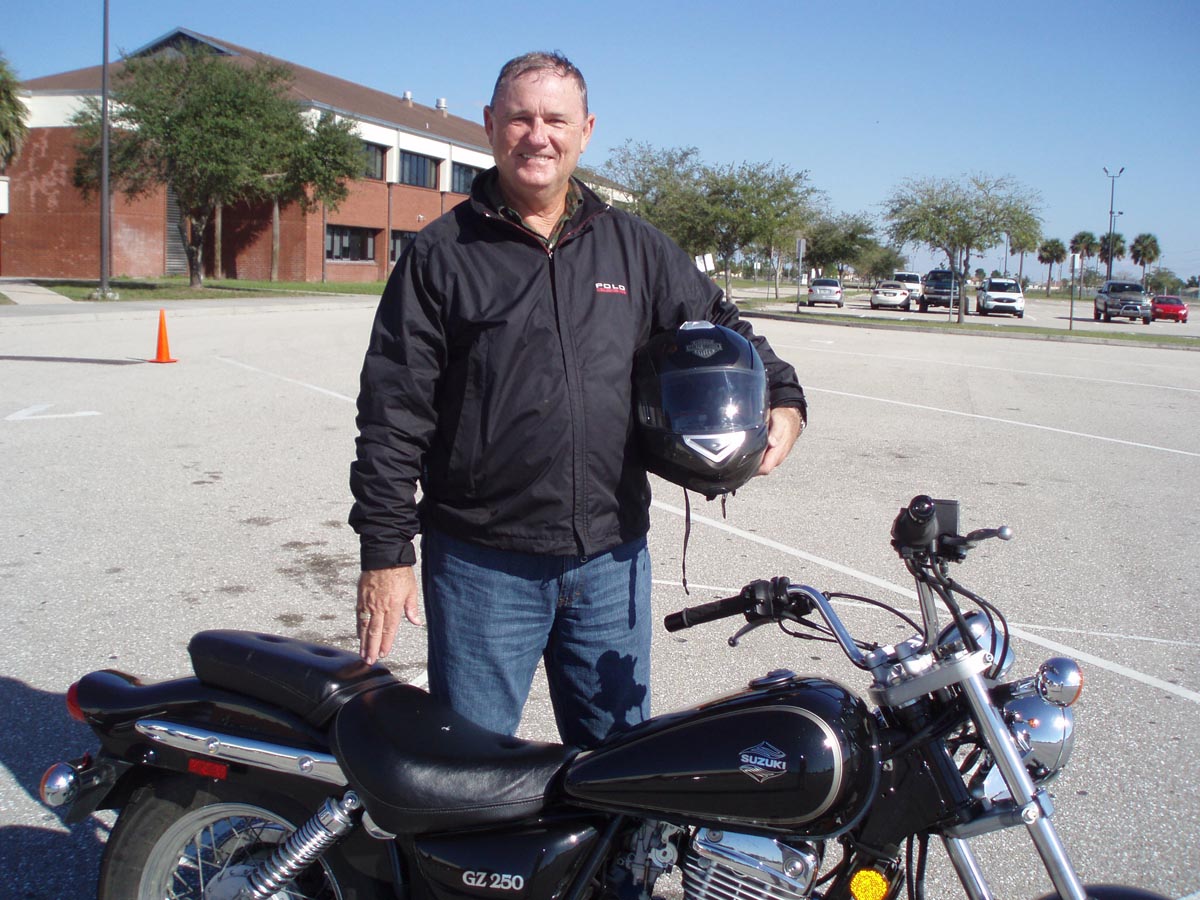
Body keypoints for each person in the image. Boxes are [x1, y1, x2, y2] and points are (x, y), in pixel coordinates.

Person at [349, 51, 806, 749]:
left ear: (586, 131)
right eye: (520, 118)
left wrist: (785, 396)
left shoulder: (634, 248)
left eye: (556, 120)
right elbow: (392, 412)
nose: (538, 136)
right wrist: (386, 553)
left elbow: (723, 326)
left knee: (617, 772)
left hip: (610, 563)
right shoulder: (442, 254)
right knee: (469, 772)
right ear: (490, 125)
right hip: (481, 566)